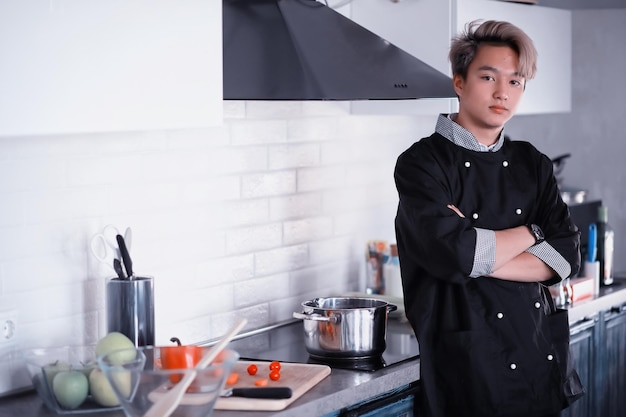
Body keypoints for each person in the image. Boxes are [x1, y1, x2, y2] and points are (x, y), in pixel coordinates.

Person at [393, 20, 585, 417]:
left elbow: (565, 257)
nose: (503, 93)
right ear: (459, 82)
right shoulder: (422, 164)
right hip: (466, 371)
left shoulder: (532, 163)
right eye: (488, 77)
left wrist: (484, 253)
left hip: (536, 360)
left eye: (515, 82)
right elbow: (458, 255)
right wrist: (534, 233)